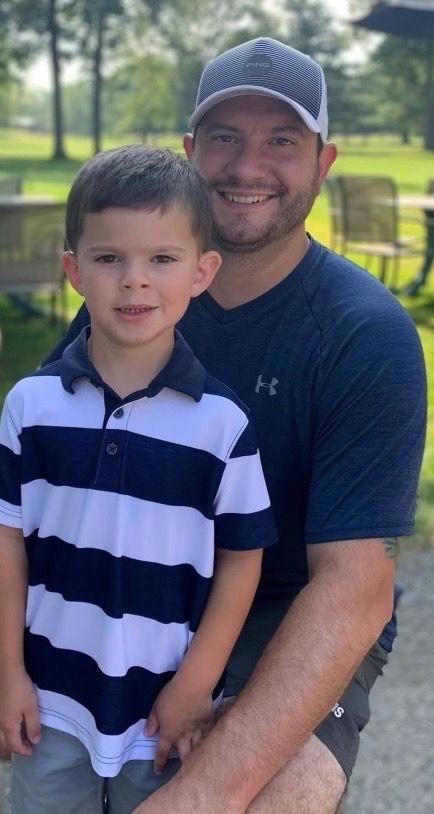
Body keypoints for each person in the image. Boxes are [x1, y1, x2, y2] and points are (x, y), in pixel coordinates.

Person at [43, 37, 426, 814]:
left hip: (289, 608)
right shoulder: (134, 301)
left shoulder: (364, 333)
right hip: (144, 586)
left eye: (282, 141)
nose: (247, 168)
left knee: (267, 798)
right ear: (190, 153)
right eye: (224, 137)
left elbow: (354, 587)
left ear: (324, 163)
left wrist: (201, 798)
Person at [0, 144, 278, 814]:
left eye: (162, 259)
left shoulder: (223, 426)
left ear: (202, 271)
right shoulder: (29, 408)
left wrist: (197, 683)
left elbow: (242, 560)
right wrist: (7, 672)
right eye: (108, 258)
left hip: (162, 709)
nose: (134, 281)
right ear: (73, 270)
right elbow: (6, 545)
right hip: (50, 699)